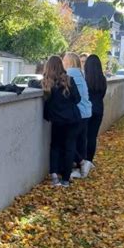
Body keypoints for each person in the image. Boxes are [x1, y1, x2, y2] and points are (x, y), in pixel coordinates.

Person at [42, 55, 82, 187]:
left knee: (55, 146)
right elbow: (77, 99)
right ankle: (65, 179)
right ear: (61, 66)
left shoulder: (47, 83)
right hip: (72, 118)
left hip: (57, 120)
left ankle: (54, 175)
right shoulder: (69, 80)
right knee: (70, 147)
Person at [62, 52, 92, 178]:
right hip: (86, 111)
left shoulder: (69, 73)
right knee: (80, 141)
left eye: (64, 60)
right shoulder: (81, 73)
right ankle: (81, 167)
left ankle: (82, 163)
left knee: (67, 142)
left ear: (68, 62)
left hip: (78, 113)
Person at [84, 54, 107, 170]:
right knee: (93, 136)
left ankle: (83, 160)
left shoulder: (85, 80)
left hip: (87, 110)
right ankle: (89, 160)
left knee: (84, 136)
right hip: (99, 109)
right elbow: (102, 94)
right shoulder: (102, 80)